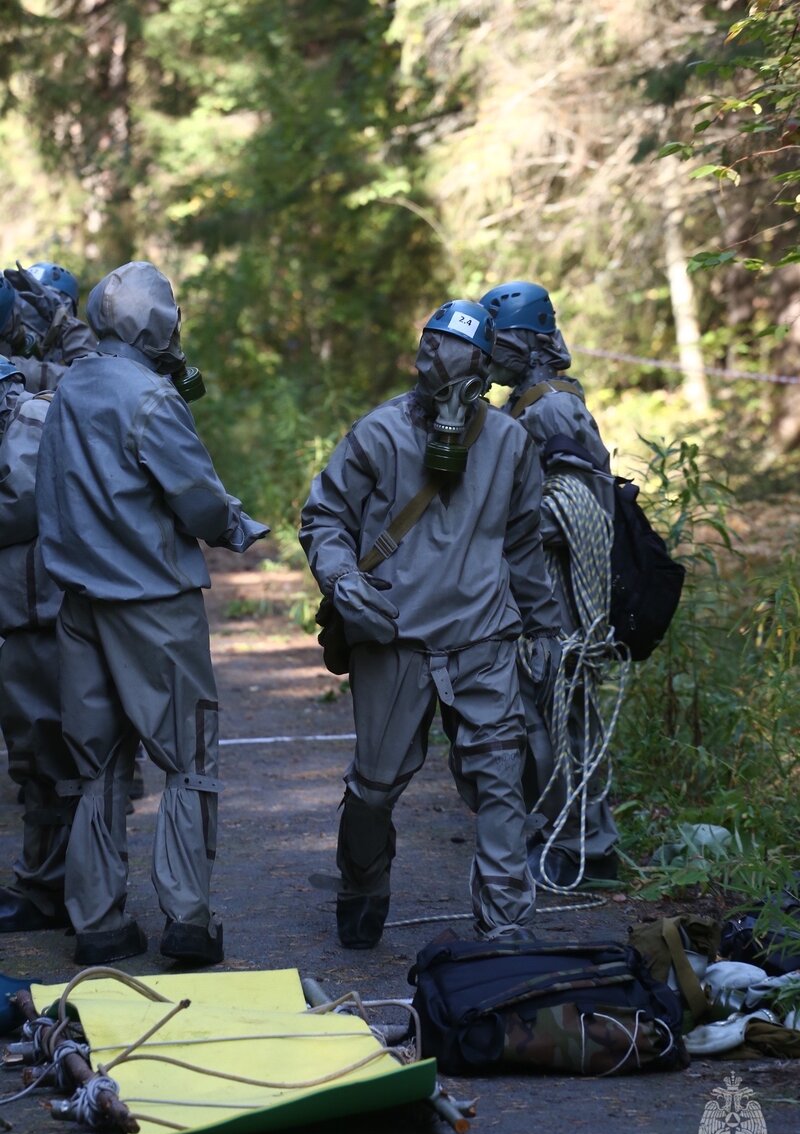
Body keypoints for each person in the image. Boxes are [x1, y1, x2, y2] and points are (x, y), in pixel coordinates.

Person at [300, 298, 562, 949]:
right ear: (421, 358)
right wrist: (342, 578)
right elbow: (324, 517)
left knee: (502, 778)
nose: (443, 368)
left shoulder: (508, 443)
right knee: (374, 786)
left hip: (483, 640)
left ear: (484, 369)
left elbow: (523, 544)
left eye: (462, 361)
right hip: (394, 638)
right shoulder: (379, 434)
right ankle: (362, 886)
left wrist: (546, 627)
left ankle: (506, 929)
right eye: (434, 353)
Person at [36, 260, 269, 966]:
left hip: (78, 603)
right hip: (151, 604)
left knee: (96, 761)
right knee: (187, 756)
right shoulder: (151, 400)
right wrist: (237, 526)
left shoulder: (71, 386)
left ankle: (98, 922)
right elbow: (196, 497)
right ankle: (187, 920)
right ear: (160, 324)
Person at [479, 280, 620, 886]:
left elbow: (579, 505)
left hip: (560, 593)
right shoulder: (525, 403)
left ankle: (589, 846)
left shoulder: (552, 407)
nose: (490, 353)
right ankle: (568, 834)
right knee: (544, 716)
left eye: (500, 341)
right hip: (534, 587)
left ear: (532, 342)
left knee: (565, 717)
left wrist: (494, 523)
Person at [0, 356, 75, 932]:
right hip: (22, 619)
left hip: (43, 620)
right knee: (32, 758)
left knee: (53, 754)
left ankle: (62, 890)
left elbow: (22, 502)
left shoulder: (29, 419)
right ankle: (44, 882)